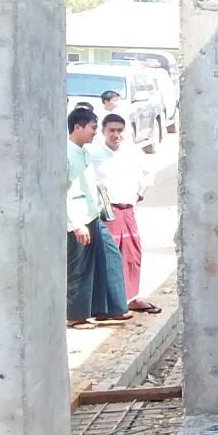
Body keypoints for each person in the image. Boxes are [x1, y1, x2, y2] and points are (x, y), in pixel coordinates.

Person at [86, 113, 161, 314]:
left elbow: (149, 173)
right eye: (111, 130)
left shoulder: (133, 153)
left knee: (132, 254)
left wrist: (139, 195)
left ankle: (131, 298)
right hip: (106, 212)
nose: (116, 134)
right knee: (108, 256)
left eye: (119, 130)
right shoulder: (92, 153)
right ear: (103, 131)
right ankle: (108, 303)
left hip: (127, 210)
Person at [66, 106, 131, 329]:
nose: (95, 132)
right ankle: (76, 316)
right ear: (78, 127)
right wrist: (76, 224)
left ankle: (111, 308)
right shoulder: (67, 154)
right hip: (79, 219)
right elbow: (63, 193)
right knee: (80, 268)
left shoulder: (84, 152)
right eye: (93, 128)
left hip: (94, 215)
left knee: (110, 258)